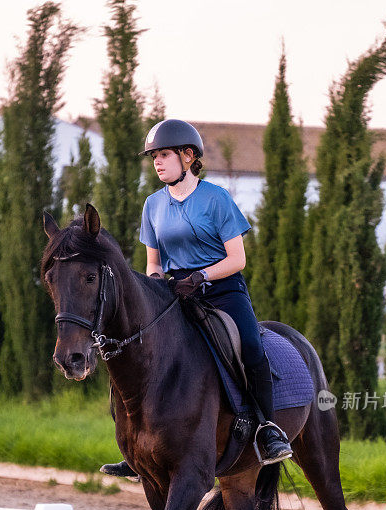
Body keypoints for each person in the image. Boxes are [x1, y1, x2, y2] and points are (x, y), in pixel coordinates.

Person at [101, 119, 292, 479]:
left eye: (164, 155)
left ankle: (267, 429)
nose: (157, 162)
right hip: (174, 294)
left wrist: (201, 275)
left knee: (250, 345)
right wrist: (157, 287)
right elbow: (153, 265)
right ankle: (136, 446)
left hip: (221, 289)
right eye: (154, 156)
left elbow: (238, 258)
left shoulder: (216, 198)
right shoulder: (152, 205)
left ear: (188, 157)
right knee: (136, 354)